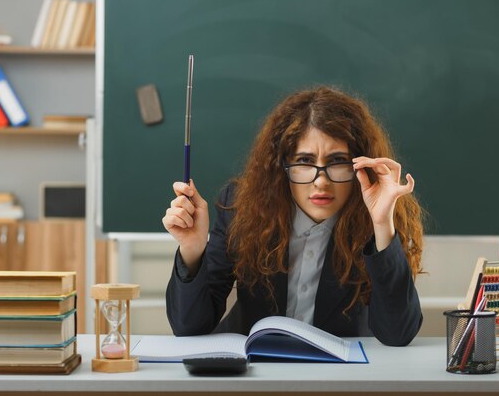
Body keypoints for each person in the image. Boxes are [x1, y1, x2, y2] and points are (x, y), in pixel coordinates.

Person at [163, 86, 423, 346]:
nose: (321, 182)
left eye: (337, 161)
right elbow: (189, 327)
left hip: (338, 378)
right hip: (252, 373)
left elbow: (397, 335)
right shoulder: (242, 208)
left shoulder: (374, 218)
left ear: (360, 167)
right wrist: (193, 251)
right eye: (305, 161)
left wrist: (381, 224)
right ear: (282, 166)